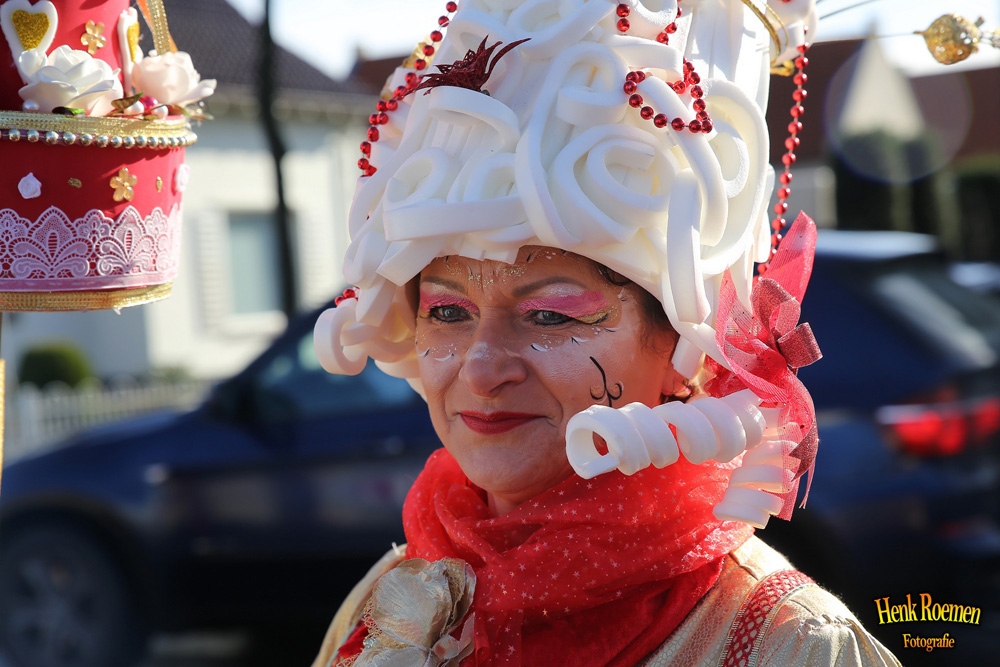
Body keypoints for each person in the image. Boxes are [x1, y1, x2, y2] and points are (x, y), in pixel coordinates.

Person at [310, 1, 901, 665]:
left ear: (681, 345)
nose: (481, 369)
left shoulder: (788, 643)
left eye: (550, 316)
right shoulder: (393, 598)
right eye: (448, 312)